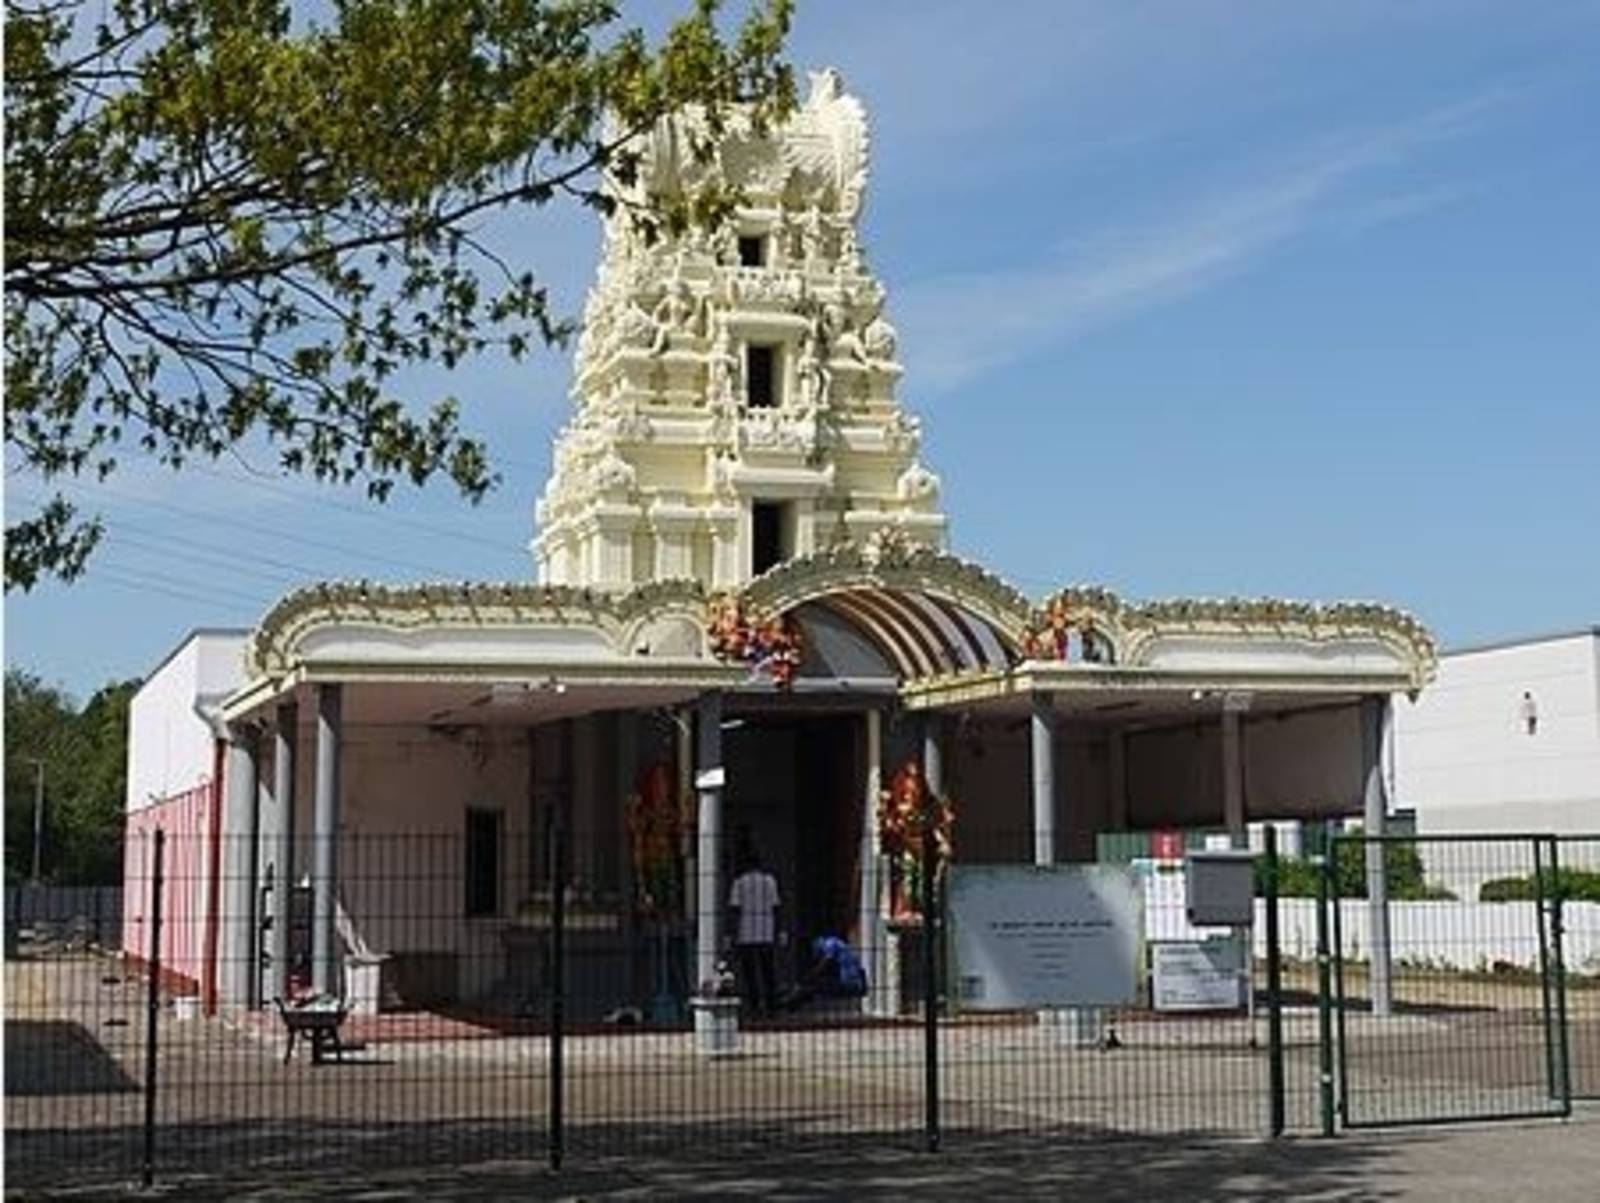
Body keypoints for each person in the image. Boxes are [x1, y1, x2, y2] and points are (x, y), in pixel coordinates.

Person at [728, 855, 780, 1017]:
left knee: (750, 972)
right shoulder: (769, 881)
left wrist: (732, 934)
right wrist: (778, 931)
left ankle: (754, 1006)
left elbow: (735, 909)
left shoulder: (739, 883)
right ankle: (772, 1006)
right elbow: (776, 906)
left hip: (746, 932)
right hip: (766, 931)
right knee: (768, 970)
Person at [783, 934, 867, 1011]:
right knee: (815, 988)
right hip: (847, 976)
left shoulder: (830, 943)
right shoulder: (834, 943)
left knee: (816, 988)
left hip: (848, 978)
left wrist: (811, 974)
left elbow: (826, 962)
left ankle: (793, 1002)